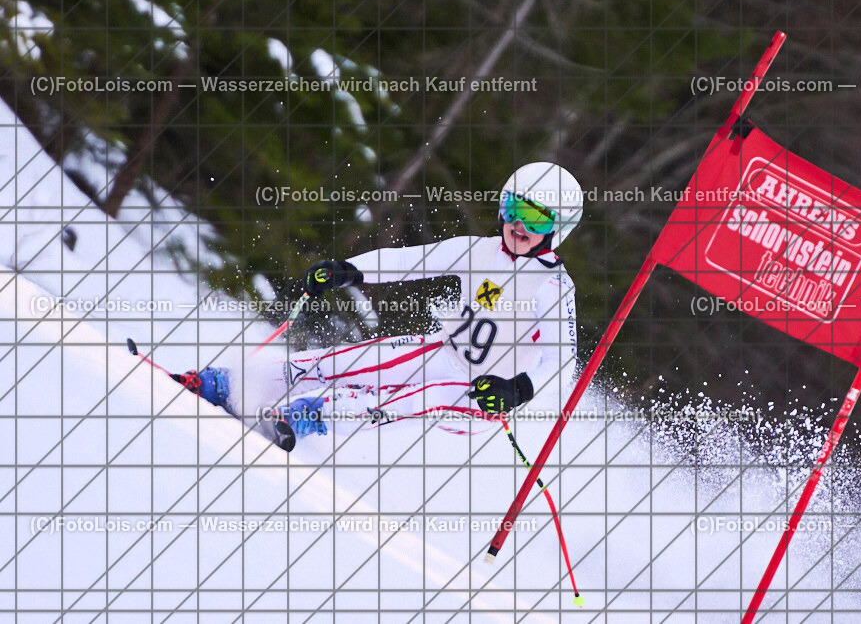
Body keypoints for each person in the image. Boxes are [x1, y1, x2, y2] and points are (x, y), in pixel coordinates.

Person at [179, 162, 583, 448]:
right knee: (339, 363)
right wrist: (348, 270)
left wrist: (518, 390)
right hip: (441, 351)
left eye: (535, 219)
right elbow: (409, 262)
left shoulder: (552, 286)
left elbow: (562, 366)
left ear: (557, 230)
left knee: (402, 396)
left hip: (481, 395)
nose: (519, 226)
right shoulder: (478, 251)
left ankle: (303, 416)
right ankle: (224, 384)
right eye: (514, 209)